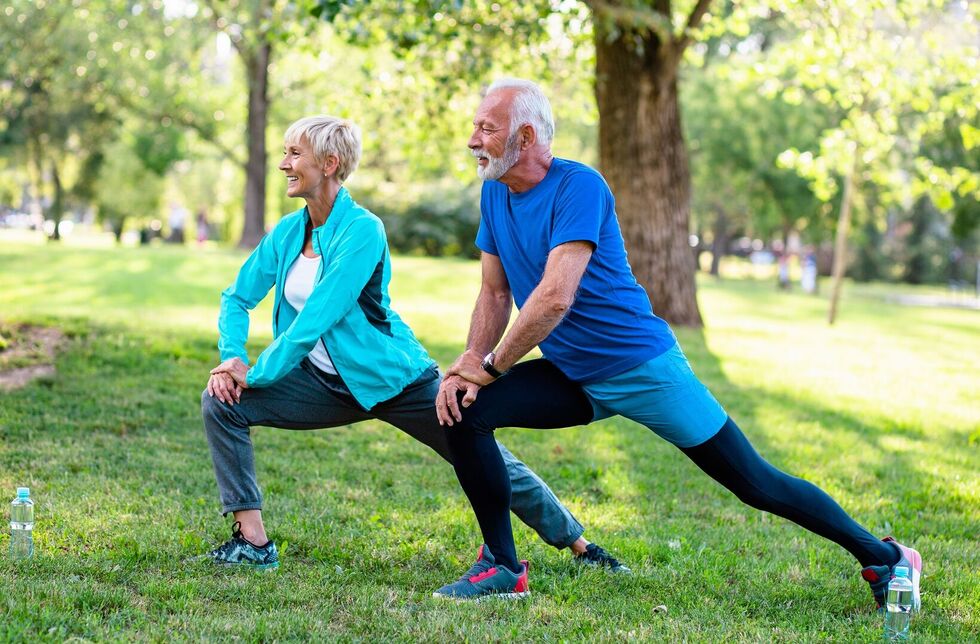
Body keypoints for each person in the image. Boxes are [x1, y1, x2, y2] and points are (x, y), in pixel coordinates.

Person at [431, 78, 922, 606]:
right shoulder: (494, 193)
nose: (473, 140)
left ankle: (885, 556)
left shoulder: (580, 187)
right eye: (476, 127)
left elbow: (553, 298)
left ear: (525, 137)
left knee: (754, 482)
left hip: (640, 367)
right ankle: (503, 566)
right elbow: (494, 289)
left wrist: (493, 365)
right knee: (465, 411)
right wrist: (467, 367)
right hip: (572, 374)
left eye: (487, 128)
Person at [199, 114, 627, 573]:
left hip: (394, 380)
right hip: (321, 383)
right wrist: (232, 360)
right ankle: (253, 541)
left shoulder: (362, 230)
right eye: (284, 153)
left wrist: (257, 374)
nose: (284, 163)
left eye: (293, 153)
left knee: (482, 454)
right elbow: (236, 298)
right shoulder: (287, 233)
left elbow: (316, 318)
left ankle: (579, 544)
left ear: (328, 163)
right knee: (222, 403)